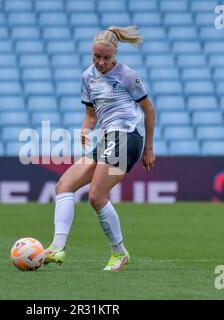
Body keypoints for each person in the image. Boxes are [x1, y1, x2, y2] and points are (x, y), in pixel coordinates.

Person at [44, 25, 156, 271]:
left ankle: (119, 252)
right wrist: (85, 130)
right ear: (92, 53)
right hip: (106, 139)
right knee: (64, 185)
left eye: (107, 58)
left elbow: (149, 110)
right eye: (97, 56)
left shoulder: (128, 76)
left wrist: (148, 148)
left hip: (128, 136)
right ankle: (57, 248)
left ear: (115, 55)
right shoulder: (87, 77)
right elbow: (91, 115)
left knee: (96, 196)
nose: (101, 62)